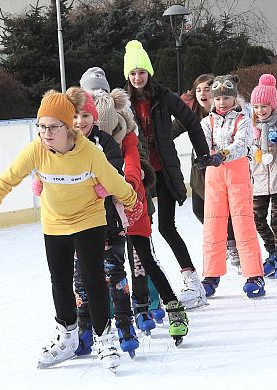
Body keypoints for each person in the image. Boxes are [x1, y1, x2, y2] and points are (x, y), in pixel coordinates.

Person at [0, 90, 137, 372]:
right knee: (60, 281)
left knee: (94, 280)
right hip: (55, 222)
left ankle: (104, 338)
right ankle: (67, 337)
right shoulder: (36, 150)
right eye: (41, 126)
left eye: (53, 127)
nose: (46, 133)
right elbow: (6, 180)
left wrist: (132, 203)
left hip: (88, 221)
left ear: (68, 127)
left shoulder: (90, 153)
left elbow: (116, 181)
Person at [88, 83, 189, 345]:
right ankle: (98, 319)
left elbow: (132, 164)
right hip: (102, 214)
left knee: (145, 260)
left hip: (131, 206)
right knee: (103, 266)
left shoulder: (127, 136)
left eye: (106, 128)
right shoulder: (85, 142)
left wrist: (127, 186)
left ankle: (173, 307)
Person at [123, 40, 215, 309]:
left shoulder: (163, 97)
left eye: (141, 72)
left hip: (162, 172)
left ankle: (192, 282)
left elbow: (191, 121)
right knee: (141, 232)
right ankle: (149, 291)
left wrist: (204, 155)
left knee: (166, 227)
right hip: (137, 175)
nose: (137, 78)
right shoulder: (124, 102)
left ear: (149, 73)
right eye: (132, 73)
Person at [64, 88, 141, 357]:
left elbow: (114, 167)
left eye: (85, 115)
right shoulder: (65, 145)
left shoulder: (104, 141)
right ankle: (85, 330)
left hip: (109, 223)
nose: (80, 121)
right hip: (77, 224)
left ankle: (124, 325)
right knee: (81, 280)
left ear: (94, 118)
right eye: (74, 116)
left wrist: (101, 185)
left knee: (113, 273)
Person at [200, 74, 266, 298]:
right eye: (218, 99)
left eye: (227, 98)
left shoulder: (243, 120)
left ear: (234, 98)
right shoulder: (207, 121)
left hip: (237, 174)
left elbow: (242, 144)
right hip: (214, 175)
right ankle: (211, 274)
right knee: (213, 224)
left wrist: (222, 154)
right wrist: (204, 156)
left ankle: (254, 274)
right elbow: (202, 141)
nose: (222, 103)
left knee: (243, 222)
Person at [177, 74, 240, 270]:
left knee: (226, 211)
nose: (202, 93)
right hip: (200, 172)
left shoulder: (229, 114)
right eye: (198, 90)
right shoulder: (192, 114)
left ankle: (232, 245)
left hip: (222, 169)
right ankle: (224, 239)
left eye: (206, 89)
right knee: (198, 209)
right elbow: (170, 130)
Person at [250, 74, 277, 283]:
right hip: (259, 181)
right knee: (257, 219)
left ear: (272, 105)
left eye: (264, 106)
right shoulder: (251, 128)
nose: (260, 110)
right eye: (257, 106)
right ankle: (271, 250)